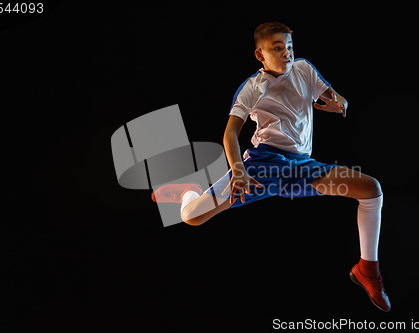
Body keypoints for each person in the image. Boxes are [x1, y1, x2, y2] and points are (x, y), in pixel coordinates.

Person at [151, 22, 390, 312]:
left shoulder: (304, 69)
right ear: (260, 55)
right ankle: (190, 192)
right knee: (192, 217)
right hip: (265, 165)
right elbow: (229, 134)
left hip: (302, 166)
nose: (286, 53)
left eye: (289, 47)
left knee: (370, 189)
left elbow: (336, 97)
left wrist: (339, 103)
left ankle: (368, 270)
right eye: (277, 48)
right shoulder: (253, 87)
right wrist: (238, 170)